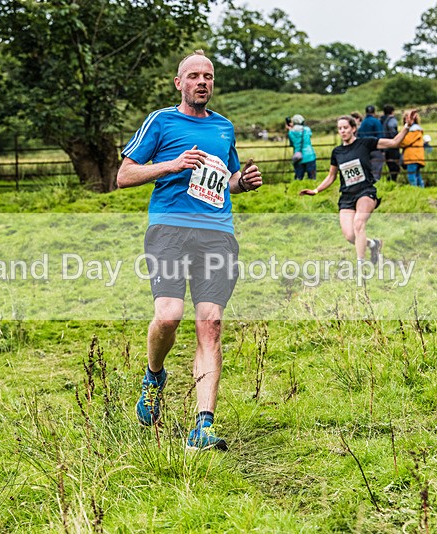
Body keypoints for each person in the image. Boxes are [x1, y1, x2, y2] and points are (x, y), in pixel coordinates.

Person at [116, 50, 262, 451]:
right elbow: (124, 175)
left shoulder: (224, 128)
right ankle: (154, 376)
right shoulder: (161, 121)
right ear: (179, 83)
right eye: (194, 76)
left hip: (217, 233)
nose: (202, 82)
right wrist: (173, 165)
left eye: (209, 76)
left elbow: (227, 180)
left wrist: (242, 183)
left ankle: (203, 426)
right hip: (170, 230)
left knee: (210, 322)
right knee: (169, 317)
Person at [299, 110, 415, 264]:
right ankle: (374, 244)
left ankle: (361, 266)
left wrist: (407, 126)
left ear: (353, 128)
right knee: (350, 236)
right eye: (339, 128)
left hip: (365, 192)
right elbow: (331, 176)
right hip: (347, 196)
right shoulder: (337, 152)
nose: (342, 131)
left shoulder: (365, 143)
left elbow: (394, 143)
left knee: (358, 224)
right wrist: (316, 190)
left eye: (345, 127)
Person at [357, 105, 385, 181]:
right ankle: (375, 183)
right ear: (374, 112)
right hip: (375, 148)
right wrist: (383, 150)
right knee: (376, 168)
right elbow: (380, 135)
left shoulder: (362, 123)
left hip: (364, 149)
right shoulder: (376, 122)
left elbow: (358, 136)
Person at [286, 114, 316, 180]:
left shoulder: (291, 132)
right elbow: (310, 135)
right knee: (312, 177)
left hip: (298, 156)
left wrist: (290, 129)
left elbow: (291, 144)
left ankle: (298, 188)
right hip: (310, 155)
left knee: (299, 177)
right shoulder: (307, 129)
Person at [400, 112, 425, 187]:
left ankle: (414, 190)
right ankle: (421, 191)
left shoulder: (414, 130)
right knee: (417, 175)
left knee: (412, 176)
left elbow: (405, 142)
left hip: (412, 156)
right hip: (417, 156)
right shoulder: (417, 129)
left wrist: (398, 141)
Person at [380, 104, 401, 182]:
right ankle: (392, 180)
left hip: (385, 145)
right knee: (395, 165)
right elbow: (393, 130)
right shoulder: (392, 120)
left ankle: (391, 180)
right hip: (392, 145)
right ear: (392, 111)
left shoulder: (381, 120)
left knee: (390, 163)